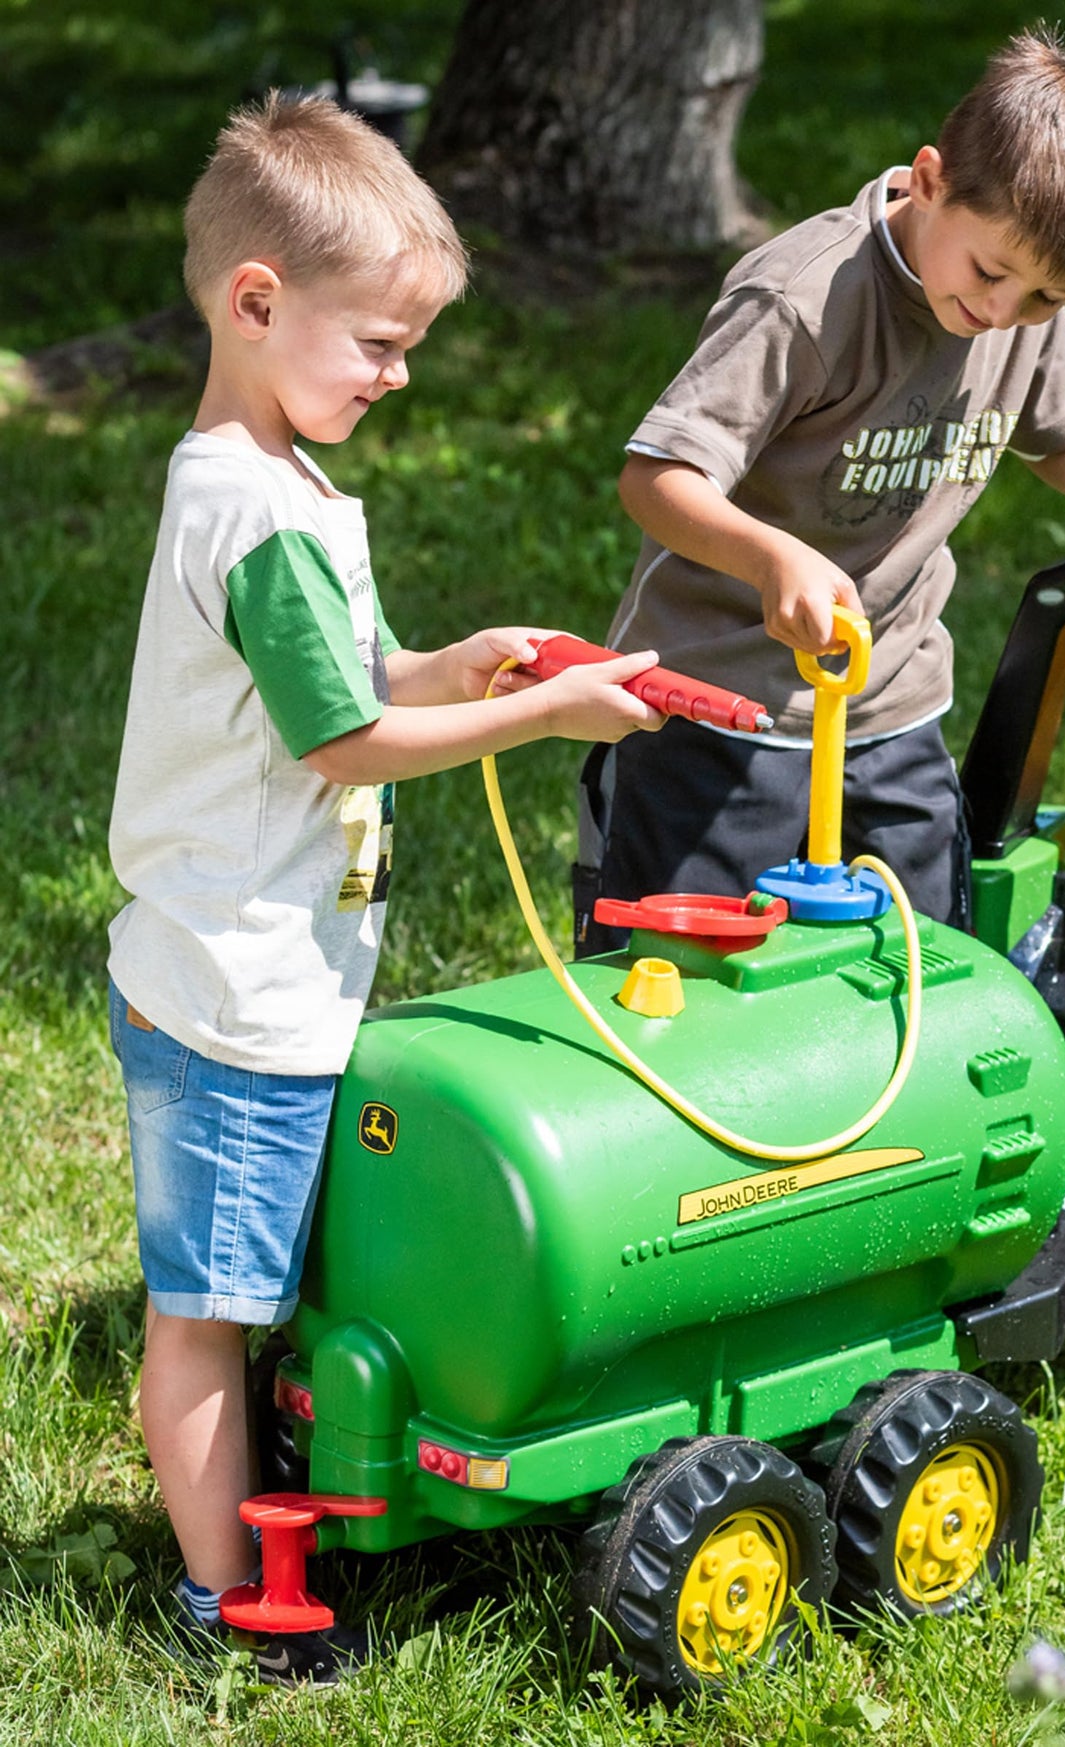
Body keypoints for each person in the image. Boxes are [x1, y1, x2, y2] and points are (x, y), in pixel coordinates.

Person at [106, 93, 660, 1686]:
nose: (400, 373)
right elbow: (347, 743)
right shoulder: (256, 510)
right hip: (232, 989)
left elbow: (350, 683)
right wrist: (542, 715)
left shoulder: (269, 478)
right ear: (257, 300)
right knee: (209, 1307)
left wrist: (459, 659)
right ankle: (231, 1600)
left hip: (263, 969)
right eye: (382, 341)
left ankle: (257, 1513)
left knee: (253, 1278)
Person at [574, 26, 1065, 952]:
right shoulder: (804, 300)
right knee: (688, 983)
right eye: (992, 273)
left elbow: (1059, 435)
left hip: (891, 704)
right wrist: (774, 556)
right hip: (720, 711)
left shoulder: (1017, 298)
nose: (1003, 314)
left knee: (915, 967)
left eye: (1049, 298)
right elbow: (658, 478)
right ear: (929, 180)